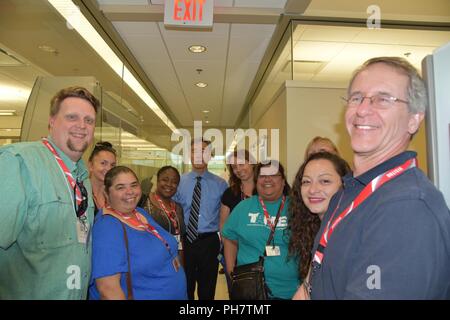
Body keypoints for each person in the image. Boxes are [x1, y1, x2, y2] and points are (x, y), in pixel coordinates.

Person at [309, 57, 450, 299]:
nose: (362, 110)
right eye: (356, 98)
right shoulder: (346, 192)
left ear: (414, 119)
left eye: (383, 99)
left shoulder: (407, 207)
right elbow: (312, 284)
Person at [0, 86, 98, 299]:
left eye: (89, 120)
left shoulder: (82, 177)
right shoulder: (18, 162)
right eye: (72, 117)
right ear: (52, 121)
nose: (82, 126)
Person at [89, 166, 187, 300]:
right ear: (106, 193)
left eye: (134, 185)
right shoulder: (107, 228)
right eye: (120, 187)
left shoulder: (139, 213)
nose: (130, 192)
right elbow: (108, 290)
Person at [222, 160, 300, 299]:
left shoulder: (297, 208)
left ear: (283, 181)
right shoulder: (243, 208)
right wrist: (231, 270)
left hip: (291, 291)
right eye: (262, 176)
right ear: (256, 181)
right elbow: (229, 237)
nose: (267, 179)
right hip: (251, 290)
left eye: (274, 175)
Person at [288, 152, 350, 299]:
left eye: (325, 181)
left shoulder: (347, 234)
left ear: (345, 184)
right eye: (306, 182)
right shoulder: (317, 229)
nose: (312, 189)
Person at [173, 138, 228, 300]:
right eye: (194, 151)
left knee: (207, 288)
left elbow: (225, 216)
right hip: (185, 242)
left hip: (209, 242)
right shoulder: (178, 182)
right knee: (185, 286)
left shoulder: (220, 184)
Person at [219, 149, 257, 297]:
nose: (239, 170)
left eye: (242, 164)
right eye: (234, 167)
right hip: (235, 255)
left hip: (260, 253)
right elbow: (223, 225)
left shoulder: (267, 189)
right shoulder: (230, 194)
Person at [143, 166, 186, 264]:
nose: (169, 185)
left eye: (174, 182)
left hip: (172, 261)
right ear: (157, 181)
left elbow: (180, 240)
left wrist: (181, 266)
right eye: (165, 180)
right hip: (150, 261)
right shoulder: (144, 203)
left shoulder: (178, 208)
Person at [88, 141, 117, 215]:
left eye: (112, 165)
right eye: (103, 163)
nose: (108, 169)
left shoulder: (114, 195)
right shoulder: (80, 193)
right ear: (91, 165)